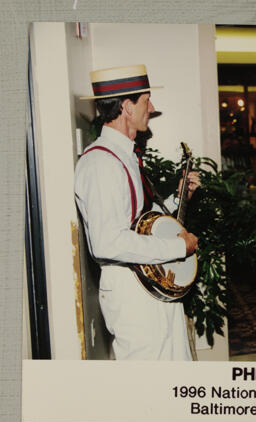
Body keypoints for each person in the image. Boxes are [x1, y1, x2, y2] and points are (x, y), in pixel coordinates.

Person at [74, 65, 200, 360]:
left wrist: (178, 196)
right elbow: (107, 242)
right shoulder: (101, 164)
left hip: (151, 281)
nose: (152, 108)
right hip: (132, 291)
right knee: (147, 385)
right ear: (128, 107)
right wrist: (178, 246)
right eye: (146, 100)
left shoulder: (125, 156)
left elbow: (137, 220)